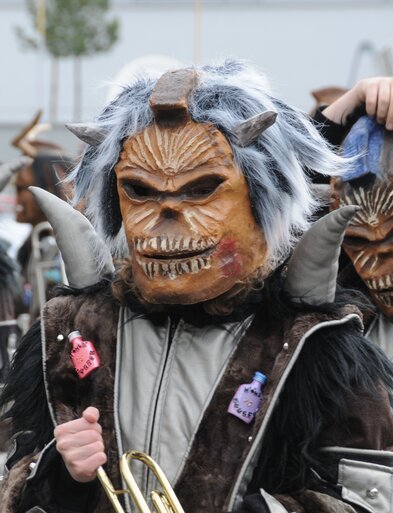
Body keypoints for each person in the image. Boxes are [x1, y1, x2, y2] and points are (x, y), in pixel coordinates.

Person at [1, 61, 393, 513]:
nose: (167, 220)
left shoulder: (314, 345)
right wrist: (61, 473)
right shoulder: (71, 332)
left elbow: (366, 500)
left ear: (262, 202)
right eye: (140, 192)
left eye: (201, 190)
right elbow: (15, 481)